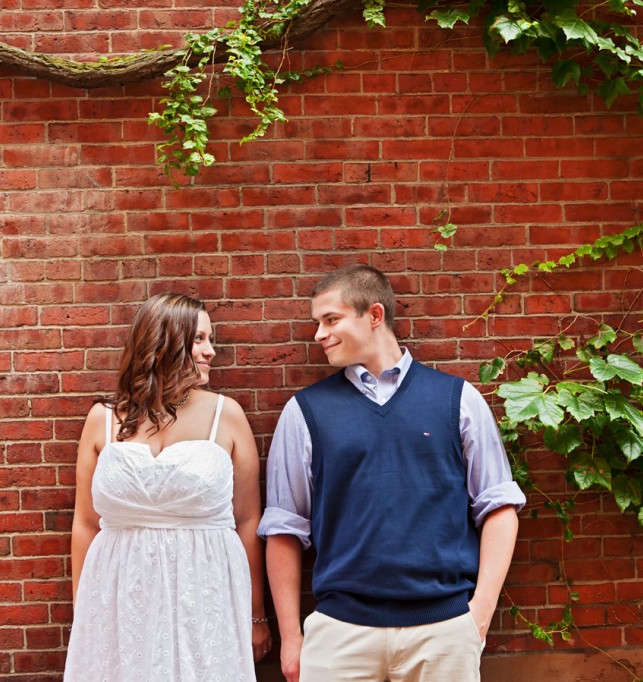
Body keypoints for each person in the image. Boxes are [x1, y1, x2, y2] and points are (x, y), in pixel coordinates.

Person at [258, 264, 526, 682]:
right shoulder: (305, 411)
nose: (319, 334)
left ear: (375, 315)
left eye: (331, 320)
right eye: (317, 323)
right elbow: (284, 528)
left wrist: (478, 616)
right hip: (339, 632)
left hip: (444, 630)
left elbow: (499, 506)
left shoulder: (457, 400)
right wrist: (292, 637)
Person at [64, 293, 272, 681]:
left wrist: (255, 614)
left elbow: (247, 521)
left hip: (206, 593)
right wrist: (85, 612)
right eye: (199, 340)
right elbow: (86, 524)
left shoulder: (226, 416)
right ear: (164, 342)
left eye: (211, 340)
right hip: (119, 595)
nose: (210, 351)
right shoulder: (102, 419)